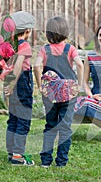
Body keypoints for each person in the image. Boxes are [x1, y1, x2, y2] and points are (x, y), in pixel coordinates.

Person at [34, 16, 83, 167]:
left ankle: (46, 162)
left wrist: (40, 85)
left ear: (48, 33)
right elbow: (80, 65)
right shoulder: (70, 49)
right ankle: (61, 162)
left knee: (50, 126)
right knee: (65, 127)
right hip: (68, 93)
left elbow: (36, 66)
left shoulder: (44, 49)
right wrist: (79, 85)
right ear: (65, 32)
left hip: (50, 94)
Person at [3, 11, 36, 165]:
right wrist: (11, 84)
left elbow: (6, 66)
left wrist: (7, 85)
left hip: (12, 82)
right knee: (23, 119)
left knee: (13, 119)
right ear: (27, 31)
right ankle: (18, 156)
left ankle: (11, 153)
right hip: (21, 84)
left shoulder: (9, 45)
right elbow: (17, 67)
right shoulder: (24, 46)